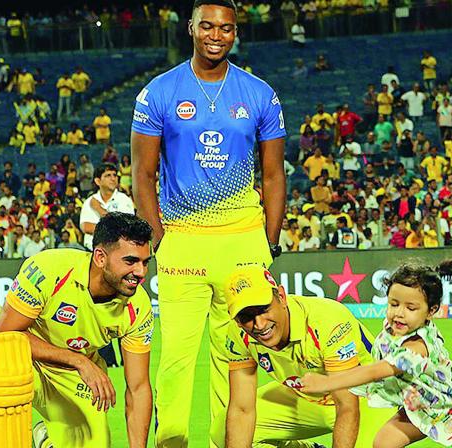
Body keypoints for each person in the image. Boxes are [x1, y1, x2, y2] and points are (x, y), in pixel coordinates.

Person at [130, 1, 286, 445]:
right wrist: (159, 238)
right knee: (176, 358)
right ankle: (172, 441)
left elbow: (274, 174)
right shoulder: (159, 92)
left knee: (236, 358)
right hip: (184, 242)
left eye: (227, 28)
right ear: (191, 29)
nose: (216, 35)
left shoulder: (259, 93)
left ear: (236, 33)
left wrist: (268, 241)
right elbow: (142, 173)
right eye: (208, 26)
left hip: (243, 244)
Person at [300, 244, 452, 448]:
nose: (399, 313)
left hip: (441, 405)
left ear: (431, 311)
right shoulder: (396, 326)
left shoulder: (417, 346)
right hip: (414, 400)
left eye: (411, 308)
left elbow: (377, 371)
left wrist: (327, 383)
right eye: (394, 304)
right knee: (383, 443)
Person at [0, 213, 154, 448]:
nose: (141, 272)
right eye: (130, 261)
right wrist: (80, 362)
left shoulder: (139, 306)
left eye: (145, 262)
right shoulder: (48, 269)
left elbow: (138, 388)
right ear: (100, 257)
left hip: (75, 377)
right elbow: (3, 339)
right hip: (29, 363)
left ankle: (46, 437)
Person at [212, 265, 392, 447]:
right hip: (307, 398)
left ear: (281, 297)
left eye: (263, 309)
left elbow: (347, 406)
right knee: (224, 430)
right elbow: (242, 410)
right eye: (246, 316)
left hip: (366, 397)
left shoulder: (327, 320)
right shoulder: (238, 332)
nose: (259, 324)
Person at [80, 164, 135, 250]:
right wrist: (113, 228)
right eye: (108, 175)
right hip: (92, 251)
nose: (113, 178)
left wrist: (100, 210)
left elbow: (126, 228)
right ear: (98, 181)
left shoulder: (124, 200)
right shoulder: (89, 201)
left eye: (115, 175)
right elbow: (86, 227)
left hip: (118, 252)